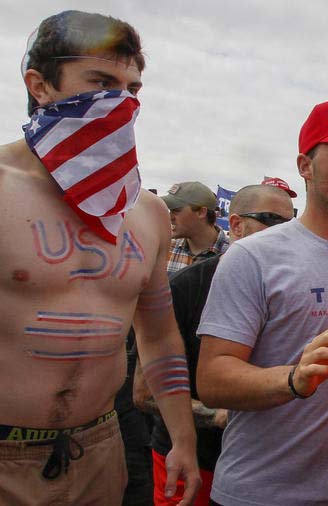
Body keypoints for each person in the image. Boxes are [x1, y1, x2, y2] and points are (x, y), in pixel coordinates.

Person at [0, 10, 200, 505]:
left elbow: (157, 335)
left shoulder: (147, 212)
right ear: (39, 85)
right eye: (101, 81)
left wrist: (184, 439)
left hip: (98, 448)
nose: (122, 102)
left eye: (132, 89)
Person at [195, 97, 328, 505]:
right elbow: (212, 380)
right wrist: (293, 378)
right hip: (260, 494)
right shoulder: (254, 257)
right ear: (305, 166)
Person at [134, 184, 294, 505]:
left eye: (291, 226)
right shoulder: (187, 286)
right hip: (192, 459)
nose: (285, 235)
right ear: (235, 226)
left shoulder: (294, 289)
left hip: (264, 467)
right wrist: (220, 412)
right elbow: (144, 393)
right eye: (270, 221)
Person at [162, 181, 229, 273]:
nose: (170, 217)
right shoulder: (165, 248)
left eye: (176, 210)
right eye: (170, 210)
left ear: (201, 212)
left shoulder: (232, 254)